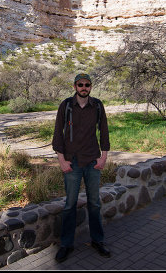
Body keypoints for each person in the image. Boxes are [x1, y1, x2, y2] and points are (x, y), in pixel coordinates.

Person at [52, 73, 111, 262]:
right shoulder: (66, 106)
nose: (84, 87)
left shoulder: (98, 106)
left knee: (94, 203)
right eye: (80, 84)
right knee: (70, 204)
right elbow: (58, 134)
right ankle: (66, 244)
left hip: (93, 161)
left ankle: (98, 240)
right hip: (72, 161)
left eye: (87, 84)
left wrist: (103, 157)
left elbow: (104, 132)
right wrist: (62, 160)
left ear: (91, 87)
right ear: (75, 86)